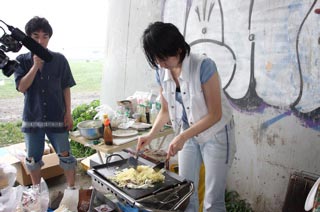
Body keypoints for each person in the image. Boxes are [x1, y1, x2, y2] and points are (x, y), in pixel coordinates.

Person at [137, 21, 237, 211]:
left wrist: (182, 136)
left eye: (163, 57)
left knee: (212, 200)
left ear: (178, 48)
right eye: (156, 59)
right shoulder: (162, 71)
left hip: (216, 134)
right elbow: (165, 111)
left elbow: (216, 114)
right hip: (187, 134)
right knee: (185, 191)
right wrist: (150, 135)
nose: (160, 63)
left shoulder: (204, 66)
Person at [14, 16, 77, 189]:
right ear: (28, 38)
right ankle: (36, 191)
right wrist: (35, 66)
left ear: (49, 38)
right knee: (33, 158)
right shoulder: (22, 61)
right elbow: (21, 87)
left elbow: (66, 87)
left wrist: (68, 113)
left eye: (45, 36)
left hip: (57, 115)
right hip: (33, 117)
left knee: (66, 155)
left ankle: (71, 190)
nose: (41, 41)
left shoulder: (59, 60)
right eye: (35, 36)